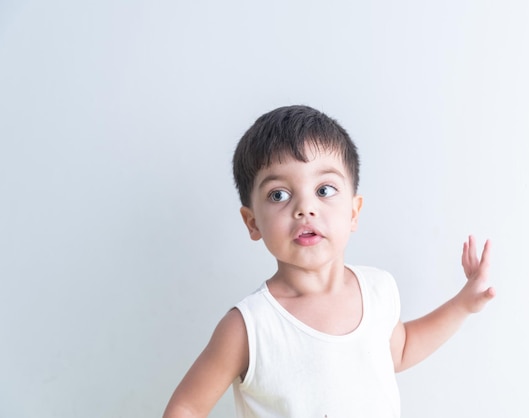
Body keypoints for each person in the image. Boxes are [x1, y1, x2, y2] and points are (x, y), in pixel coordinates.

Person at [163, 105, 495, 418]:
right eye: (279, 194)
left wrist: (464, 304)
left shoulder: (379, 289)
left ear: (353, 211)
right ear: (253, 223)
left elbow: (401, 350)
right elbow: (187, 408)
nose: (305, 208)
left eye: (324, 190)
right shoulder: (249, 327)